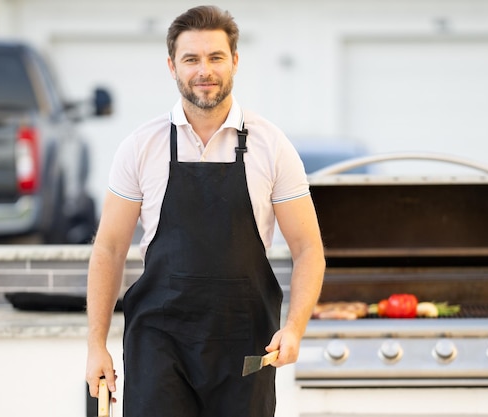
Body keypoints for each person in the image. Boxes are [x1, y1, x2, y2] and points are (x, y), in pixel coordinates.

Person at [86, 5, 325, 417]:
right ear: (172, 65)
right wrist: (96, 345)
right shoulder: (141, 147)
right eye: (191, 59)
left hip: (245, 344)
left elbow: (308, 249)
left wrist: (295, 328)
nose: (204, 70)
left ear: (234, 60)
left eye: (215, 57)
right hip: (158, 344)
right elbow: (108, 248)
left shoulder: (272, 146)